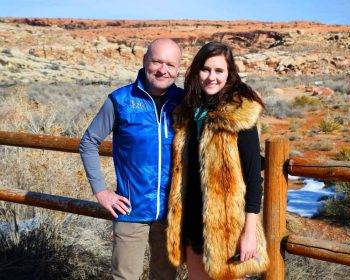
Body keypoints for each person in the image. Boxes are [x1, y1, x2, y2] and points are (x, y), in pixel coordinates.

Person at [79, 38, 183, 280]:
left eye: (170, 64)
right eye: (157, 61)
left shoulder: (185, 101)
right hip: (131, 210)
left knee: (166, 277)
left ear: (178, 69)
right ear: (145, 61)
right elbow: (88, 142)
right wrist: (101, 192)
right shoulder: (120, 100)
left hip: (172, 212)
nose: (162, 70)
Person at [166, 42, 269, 280]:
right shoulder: (188, 114)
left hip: (227, 228)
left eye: (219, 71)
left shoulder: (238, 115)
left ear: (229, 74)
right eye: (205, 69)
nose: (211, 77)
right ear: (196, 72)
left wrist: (249, 233)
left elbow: (254, 179)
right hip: (193, 223)